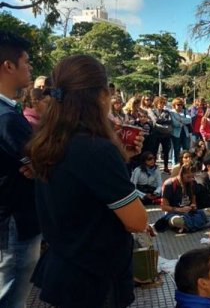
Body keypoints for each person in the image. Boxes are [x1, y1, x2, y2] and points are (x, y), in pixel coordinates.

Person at [27, 54, 148, 307]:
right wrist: (115, 157)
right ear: (101, 95)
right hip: (95, 279)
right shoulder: (96, 150)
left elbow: (81, 194)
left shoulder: (48, 141)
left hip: (64, 268)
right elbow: (137, 221)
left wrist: (122, 157)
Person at [0, 32, 41, 307]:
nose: (30, 68)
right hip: (16, 221)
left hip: (13, 219)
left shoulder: (9, 112)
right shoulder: (6, 119)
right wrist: (40, 165)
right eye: (25, 61)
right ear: (8, 66)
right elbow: (44, 161)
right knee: (12, 295)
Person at [159, 164, 207, 233]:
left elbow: (194, 201)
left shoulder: (192, 183)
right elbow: (164, 207)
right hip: (174, 213)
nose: (190, 179)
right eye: (188, 177)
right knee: (176, 221)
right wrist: (179, 209)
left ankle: (187, 227)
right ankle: (196, 225)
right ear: (182, 174)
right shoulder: (169, 184)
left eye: (192, 177)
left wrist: (193, 206)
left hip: (189, 213)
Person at [151, 96, 173, 172]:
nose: (162, 104)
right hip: (156, 134)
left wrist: (160, 121)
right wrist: (163, 121)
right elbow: (155, 120)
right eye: (160, 103)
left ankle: (166, 167)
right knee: (154, 150)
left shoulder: (167, 112)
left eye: (163, 103)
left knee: (166, 151)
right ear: (156, 103)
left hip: (165, 135)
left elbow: (169, 121)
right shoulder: (153, 111)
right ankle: (153, 165)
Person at [170, 98, 192, 164]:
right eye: (178, 104)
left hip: (185, 133)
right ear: (174, 105)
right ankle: (176, 164)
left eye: (181, 105)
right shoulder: (172, 112)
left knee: (186, 149)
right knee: (176, 150)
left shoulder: (185, 111)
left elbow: (189, 120)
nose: (180, 106)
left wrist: (180, 119)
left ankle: (186, 164)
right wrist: (183, 121)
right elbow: (174, 123)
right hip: (176, 134)